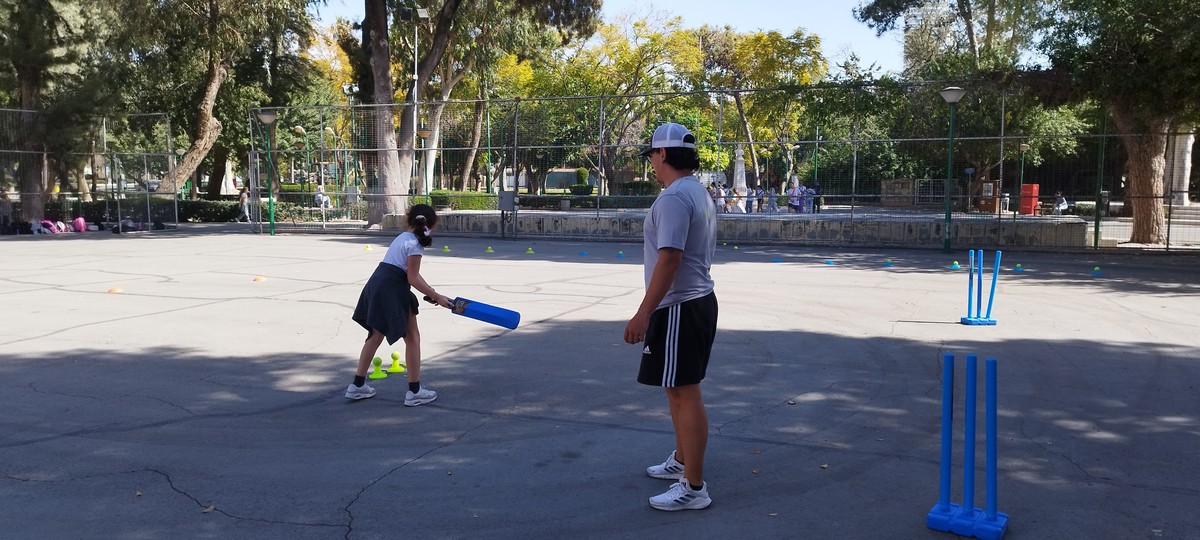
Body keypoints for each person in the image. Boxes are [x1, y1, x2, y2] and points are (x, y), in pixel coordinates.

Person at [627, 122, 718, 511]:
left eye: (650, 155)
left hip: (679, 306)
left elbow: (670, 258)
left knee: (685, 393)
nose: (650, 163)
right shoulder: (695, 191)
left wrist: (643, 312)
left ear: (662, 154)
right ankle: (682, 460)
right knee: (676, 389)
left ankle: (693, 487)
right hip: (690, 303)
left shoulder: (675, 198)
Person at [345, 204, 452, 405]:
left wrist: (431, 292)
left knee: (375, 334)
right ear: (430, 225)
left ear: (409, 220)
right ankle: (414, 391)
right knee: (412, 337)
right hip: (391, 287)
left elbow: (409, 274)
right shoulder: (415, 244)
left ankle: (357, 386)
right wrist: (436, 296)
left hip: (378, 282)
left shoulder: (402, 238)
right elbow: (412, 277)